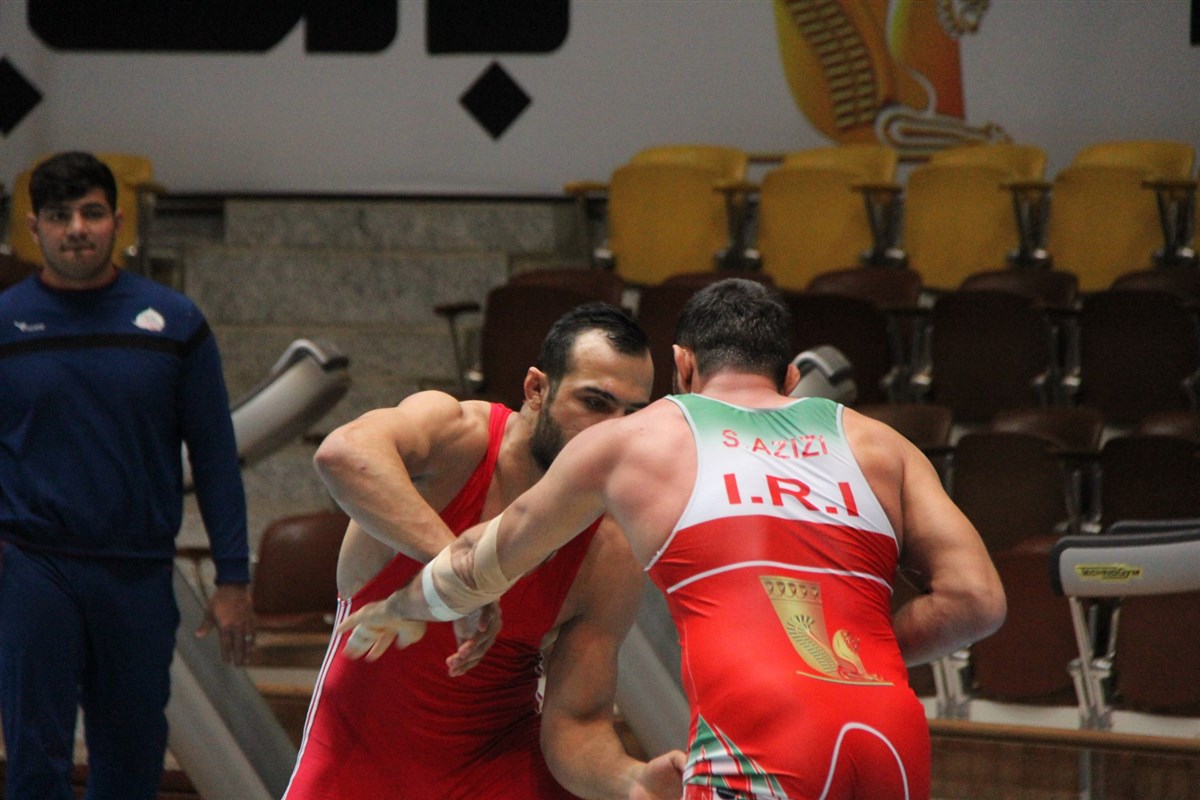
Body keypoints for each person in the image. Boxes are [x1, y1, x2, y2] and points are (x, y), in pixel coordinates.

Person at [341, 278, 1007, 800]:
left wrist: (404, 605)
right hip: (891, 729)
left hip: (760, 738)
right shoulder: (880, 444)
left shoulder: (636, 440)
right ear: (790, 379)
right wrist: (861, 657)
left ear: (682, 367)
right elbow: (978, 603)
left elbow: (474, 565)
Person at [284, 302, 686, 800]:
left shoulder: (608, 548)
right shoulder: (456, 437)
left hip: (495, 768)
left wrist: (631, 781)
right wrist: (462, 577)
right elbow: (341, 455)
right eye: (595, 402)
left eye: (632, 414)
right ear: (536, 390)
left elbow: (577, 725)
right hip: (355, 755)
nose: (613, 431)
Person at [0, 151, 255, 800]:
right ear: (33, 228)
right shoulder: (5, 324)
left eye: (91, 213)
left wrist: (233, 577)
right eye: (59, 216)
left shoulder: (175, 323)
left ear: (118, 221)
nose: (76, 229)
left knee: (132, 755)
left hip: (137, 573)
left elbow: (216, 455)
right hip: (34, 569)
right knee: (34, 757)